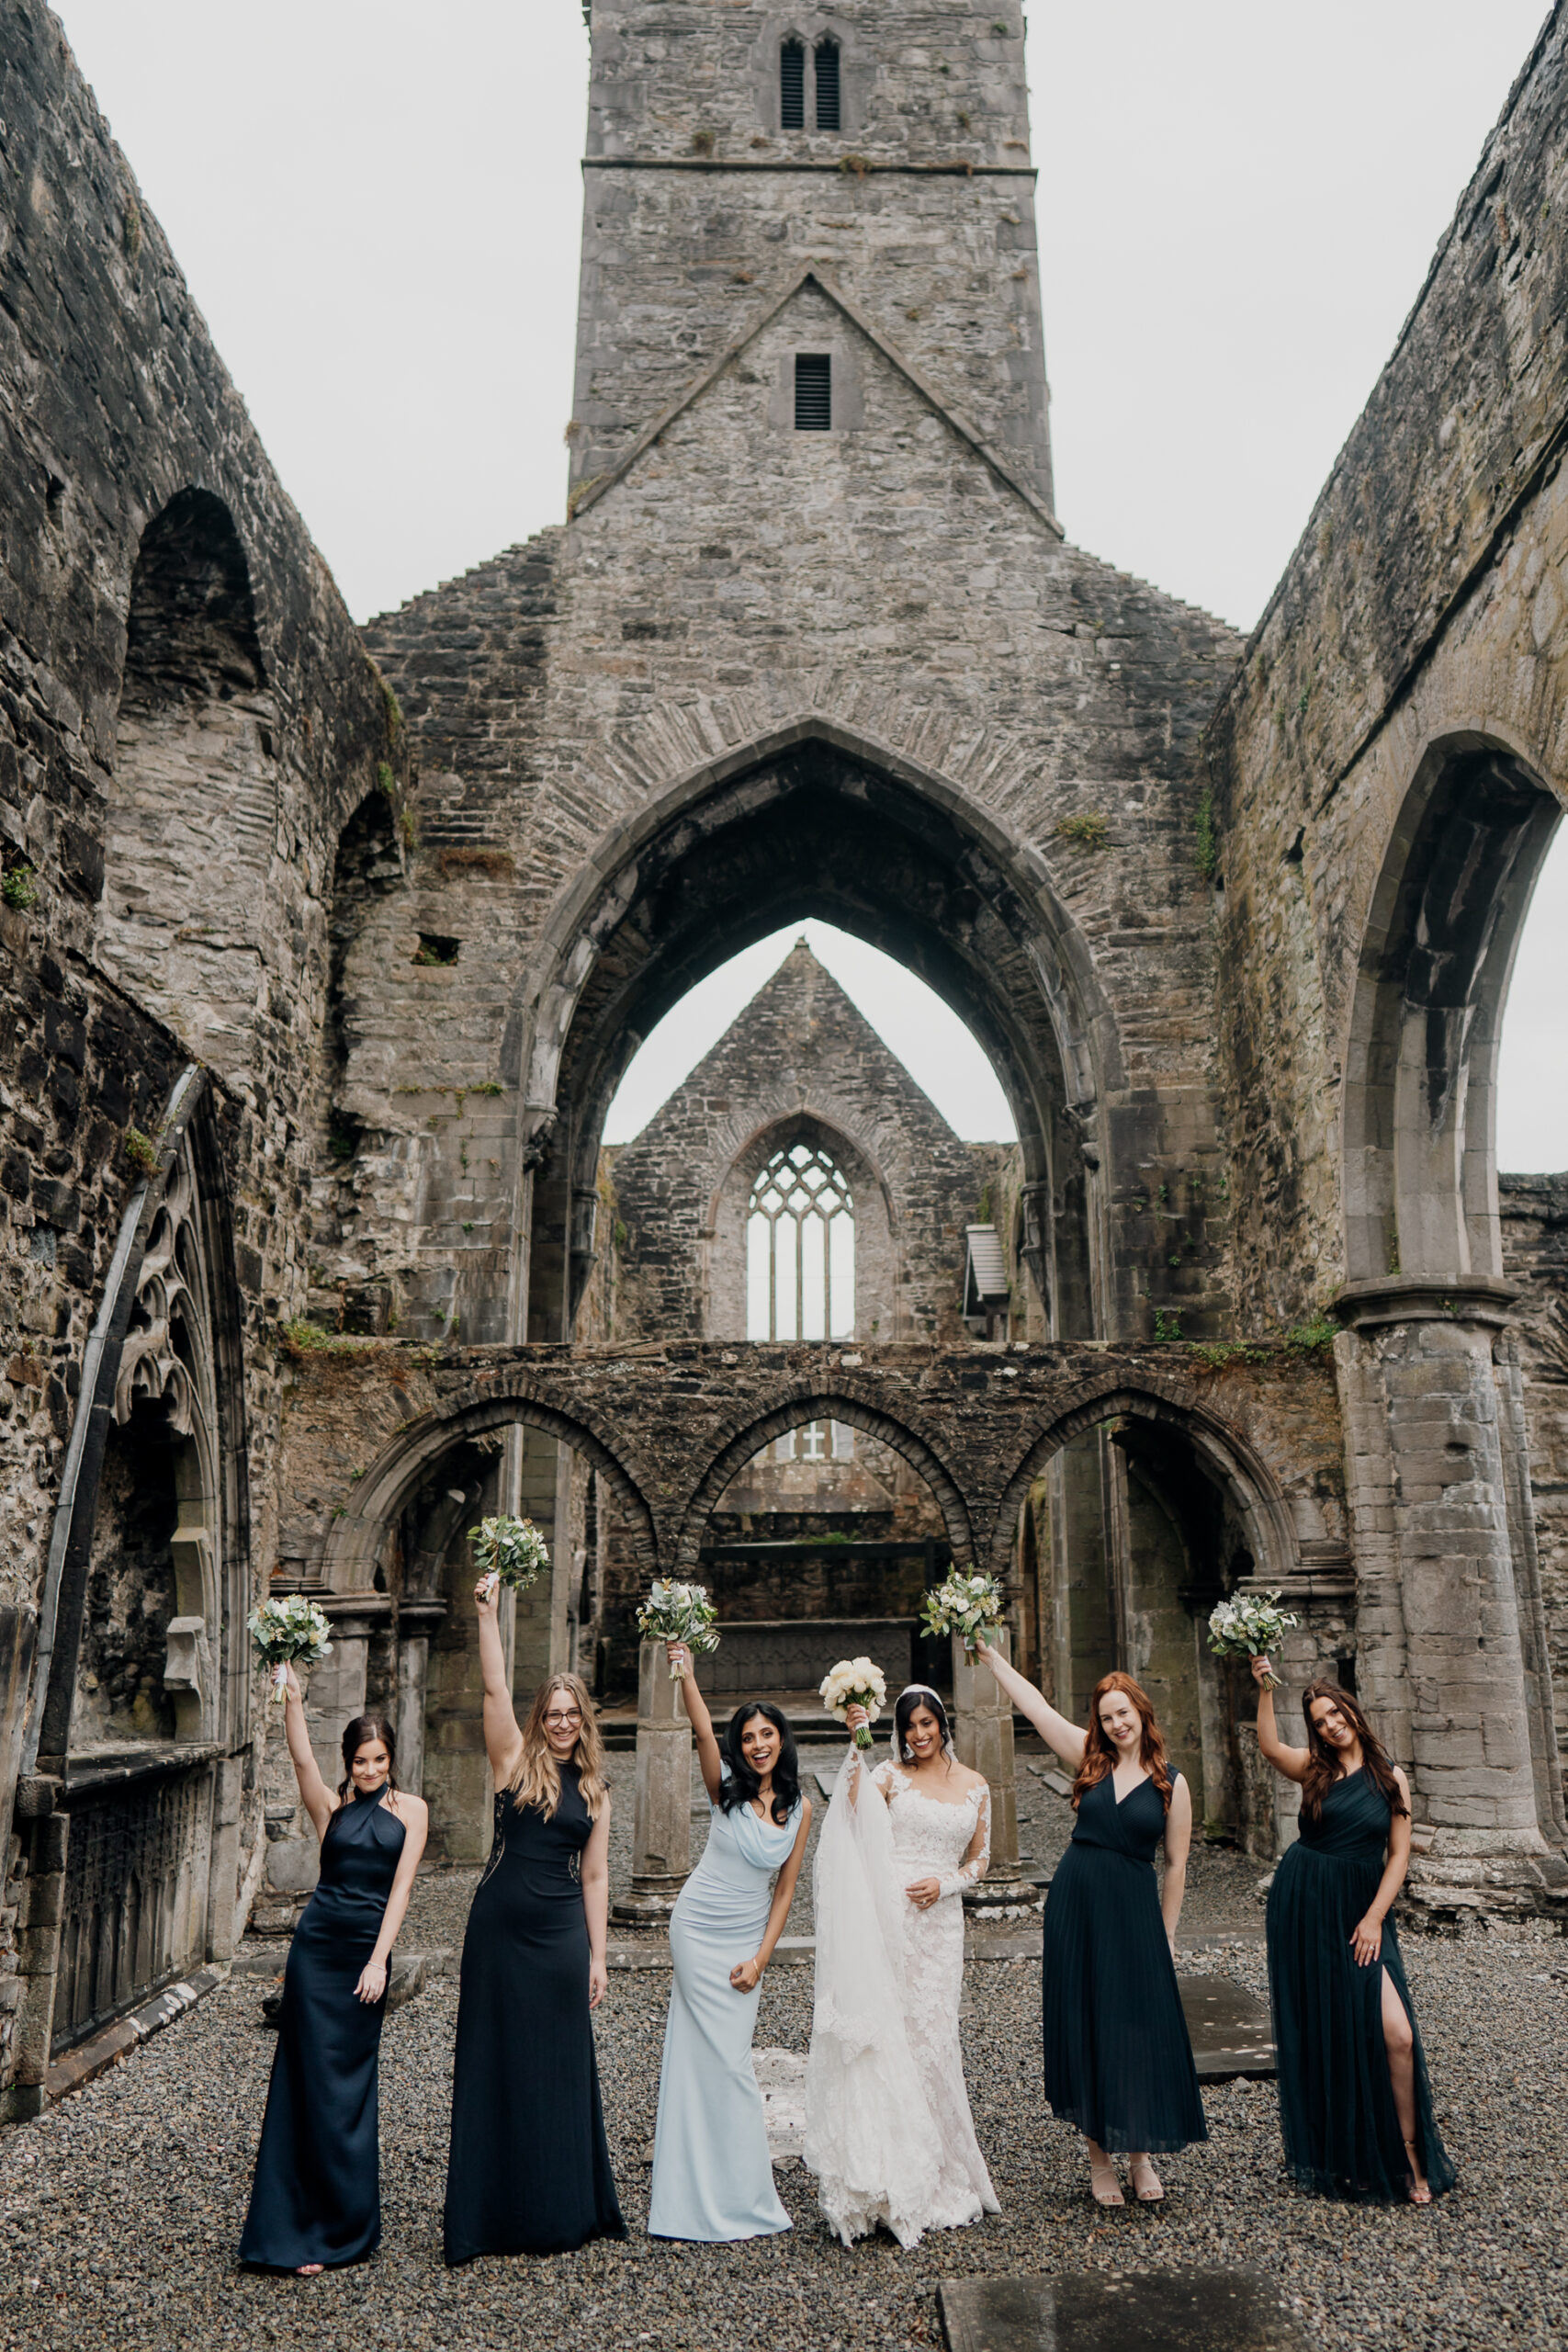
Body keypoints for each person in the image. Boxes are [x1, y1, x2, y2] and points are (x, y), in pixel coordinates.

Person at [974, 1645, 1206, 2205]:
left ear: (1143, 1714)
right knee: (1089, 2022)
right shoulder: (1089, 1758)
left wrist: (1167, 1934)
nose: (1116, 1723)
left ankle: (1140, 2155)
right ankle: (1099, 2157)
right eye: (1106, 1716)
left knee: (1135, 2026)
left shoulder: (1172, 1782)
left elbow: (1175, 1866)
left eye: (1123, 1713)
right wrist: (992, 1657)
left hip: (1133, 1910)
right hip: (1078, 1902)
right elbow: (1037, 1707)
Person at [443, 1580, 626, 2263]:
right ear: (539, 1718)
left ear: (583, 1721)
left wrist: (598, 1957)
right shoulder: (512, 1763)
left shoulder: (596, 1792)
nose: (560, 1723)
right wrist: (486, 1614)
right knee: (495, 2065)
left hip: (558, 1942)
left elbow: (596, 1877)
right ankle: (489, 2216)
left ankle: (558, 2210)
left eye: (569, 1714)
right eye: (551, 1712)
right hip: (496, 1935)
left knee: (555, 2067)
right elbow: (493, 1692)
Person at [240, 1675, 428, 2274]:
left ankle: (344, 2224)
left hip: (364, 1954)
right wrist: (292, 1700)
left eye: (378, 1760)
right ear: (347, 1762)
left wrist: (379, 1959)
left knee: (348, 2086)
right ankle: (291, 2226)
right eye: (359, 1761)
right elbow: (299, 1758)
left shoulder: (413, 1812)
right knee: (304, 2084)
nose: (369, 1770)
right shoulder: (333, 1807)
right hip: (316, 1949)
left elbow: (401, 1891)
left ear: (391, 1759)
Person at [1251, 1657, 1454, 2204]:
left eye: (1332, 1714)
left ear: (1350, 1711)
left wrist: (1373, 1918)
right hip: (1307, 1905)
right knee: (1330, 2028)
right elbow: (1270, 1747)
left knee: (1397, 2034)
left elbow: (1399, 1856)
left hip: (1363, 1913)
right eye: (1317, 1722)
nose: (1328, 1726)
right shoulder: (1315, 1772)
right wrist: (1264, 1685)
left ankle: (1410, 2152)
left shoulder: (1392, 1777)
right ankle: (1349, 2155)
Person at [804, 1685, 998, 2247]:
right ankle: (889, 2174)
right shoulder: (888, 1775)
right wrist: (854, 1741)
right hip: (890, 1920)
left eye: (927, 1724)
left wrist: (946, 1884)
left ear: (942, 1724)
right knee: (893, 2038)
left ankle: (940, 2167)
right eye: (909, 1726)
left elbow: (982, 1859)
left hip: (940, 1921)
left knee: (934, 2038)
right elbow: (847, 1813)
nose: (918, 1735)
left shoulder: (976, 1786)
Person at [648, 1649, 811, 2240]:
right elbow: (698, 1725)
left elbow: (786, 1893)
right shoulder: (724, 1788)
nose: (758, 1744)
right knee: (703, 2060)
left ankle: (742, 2195)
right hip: (696, 1929)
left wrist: (762, 1959)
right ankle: (688, 2195)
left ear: (781, 1740)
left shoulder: (800, 1809)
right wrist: (688, 1673)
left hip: (746, 1940)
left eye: (767, 1734)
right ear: (738, 1746)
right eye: (748, 1737)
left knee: (734, 2065)